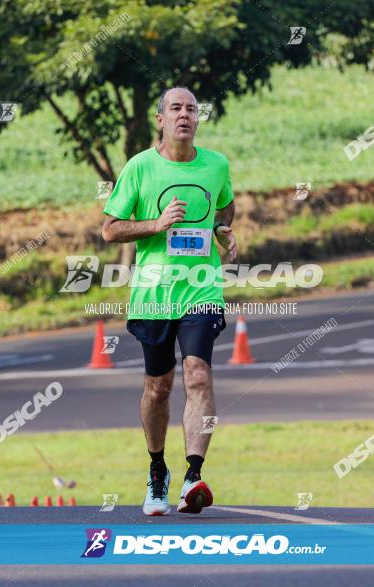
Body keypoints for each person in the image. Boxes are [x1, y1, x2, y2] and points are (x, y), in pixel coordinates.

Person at [101, 86, 238, 516]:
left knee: (198, 375)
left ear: (199, 119)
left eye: (191, 109)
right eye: (175, 108)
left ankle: (193, 475)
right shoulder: (140, 167)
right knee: (158, 388)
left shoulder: (216, 165)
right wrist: (157, 223)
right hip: (154, 294)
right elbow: (110, 228)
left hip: (202, 286)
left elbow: (225, 208)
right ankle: (157, 469)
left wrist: (222, 231)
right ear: (160, 119)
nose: (184, 115)